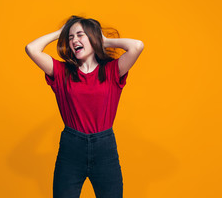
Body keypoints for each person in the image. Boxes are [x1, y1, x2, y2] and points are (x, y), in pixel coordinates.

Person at [25, 15, 144, 198]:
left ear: (93, 38)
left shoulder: (112, 70)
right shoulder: (61, 72)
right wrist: (61, 32)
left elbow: (137, 46)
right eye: (71, 37)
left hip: (105, 150)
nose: (74, 41)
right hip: (71, 149)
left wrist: (103, 41)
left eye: (80, 35)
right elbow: (31, 49)